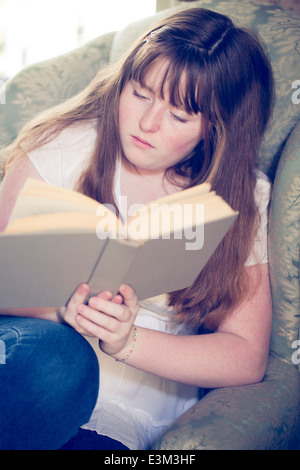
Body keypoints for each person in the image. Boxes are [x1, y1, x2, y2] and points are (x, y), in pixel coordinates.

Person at [0, 7, 274, 450]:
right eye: (140, 93)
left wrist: (126, 340)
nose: (148, 124)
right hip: (30, 363)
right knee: (59, 363)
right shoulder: (62, 145)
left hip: (124, 412)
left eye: (179, 116)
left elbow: (244, 356)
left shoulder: (240, 197)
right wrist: (64, 311)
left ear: (214, 128)